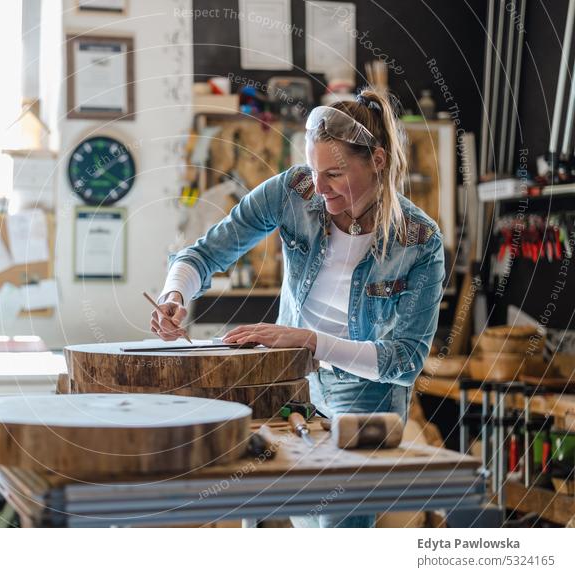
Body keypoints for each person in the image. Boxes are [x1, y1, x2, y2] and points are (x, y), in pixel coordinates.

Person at [151, 88, 446, 528]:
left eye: (334, 174)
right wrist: (174, 294)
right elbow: (203, 253)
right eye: (313, 169)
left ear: (378, 161)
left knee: (337, 537)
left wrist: (308, 341)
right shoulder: (294, 190)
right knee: (266, 510)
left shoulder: (420, 241)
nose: (318, 187)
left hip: (364, 398)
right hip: (290, 382)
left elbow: (404, 361)